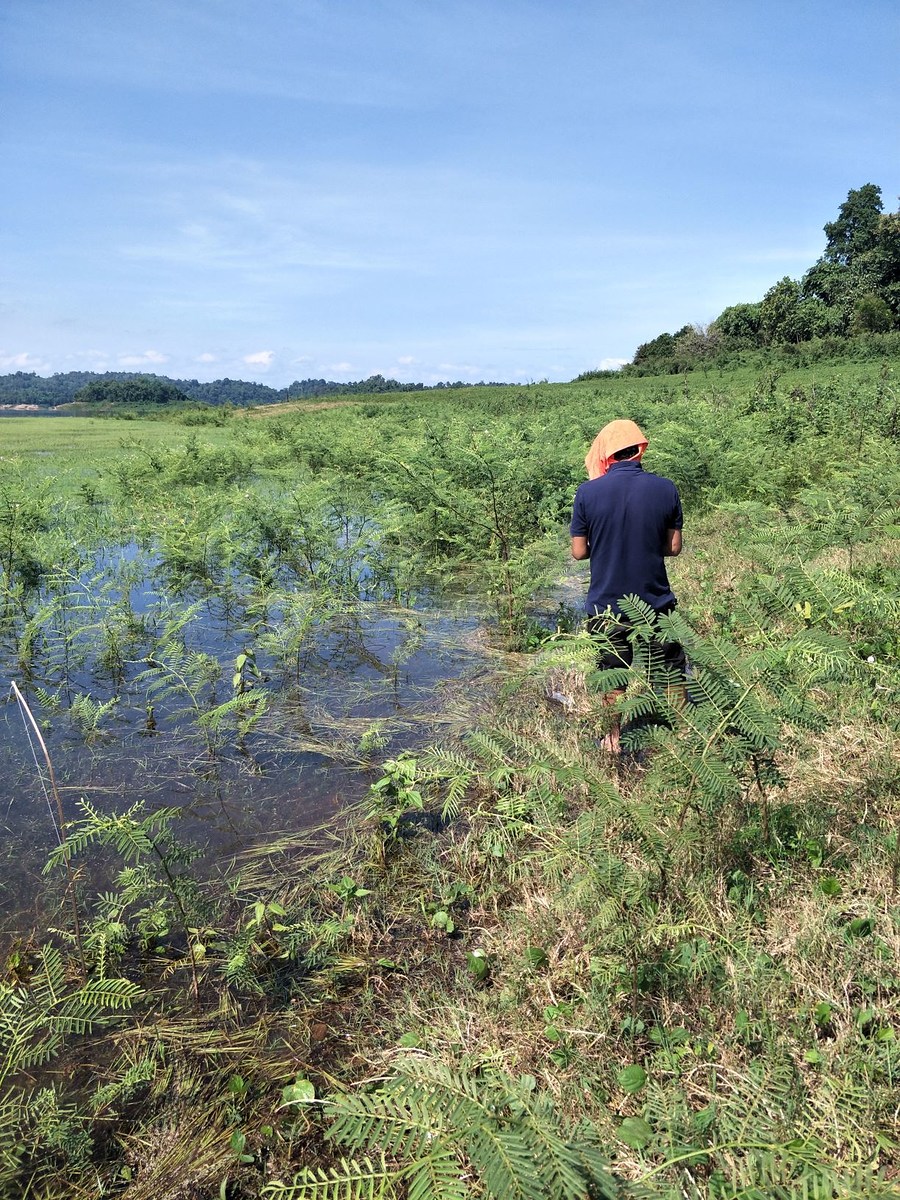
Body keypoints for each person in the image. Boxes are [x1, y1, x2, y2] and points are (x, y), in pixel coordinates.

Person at [570, 419, 684, 754]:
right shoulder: (665, 488)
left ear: (607, 454)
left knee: (612, 673)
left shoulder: (588, 492)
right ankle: (680, 737)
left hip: (606, 605)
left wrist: (603, 544)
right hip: (655, 600)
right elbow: (673, 547)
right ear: (639, 450)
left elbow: (578, 552)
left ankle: (613, 739)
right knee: (670, 669)